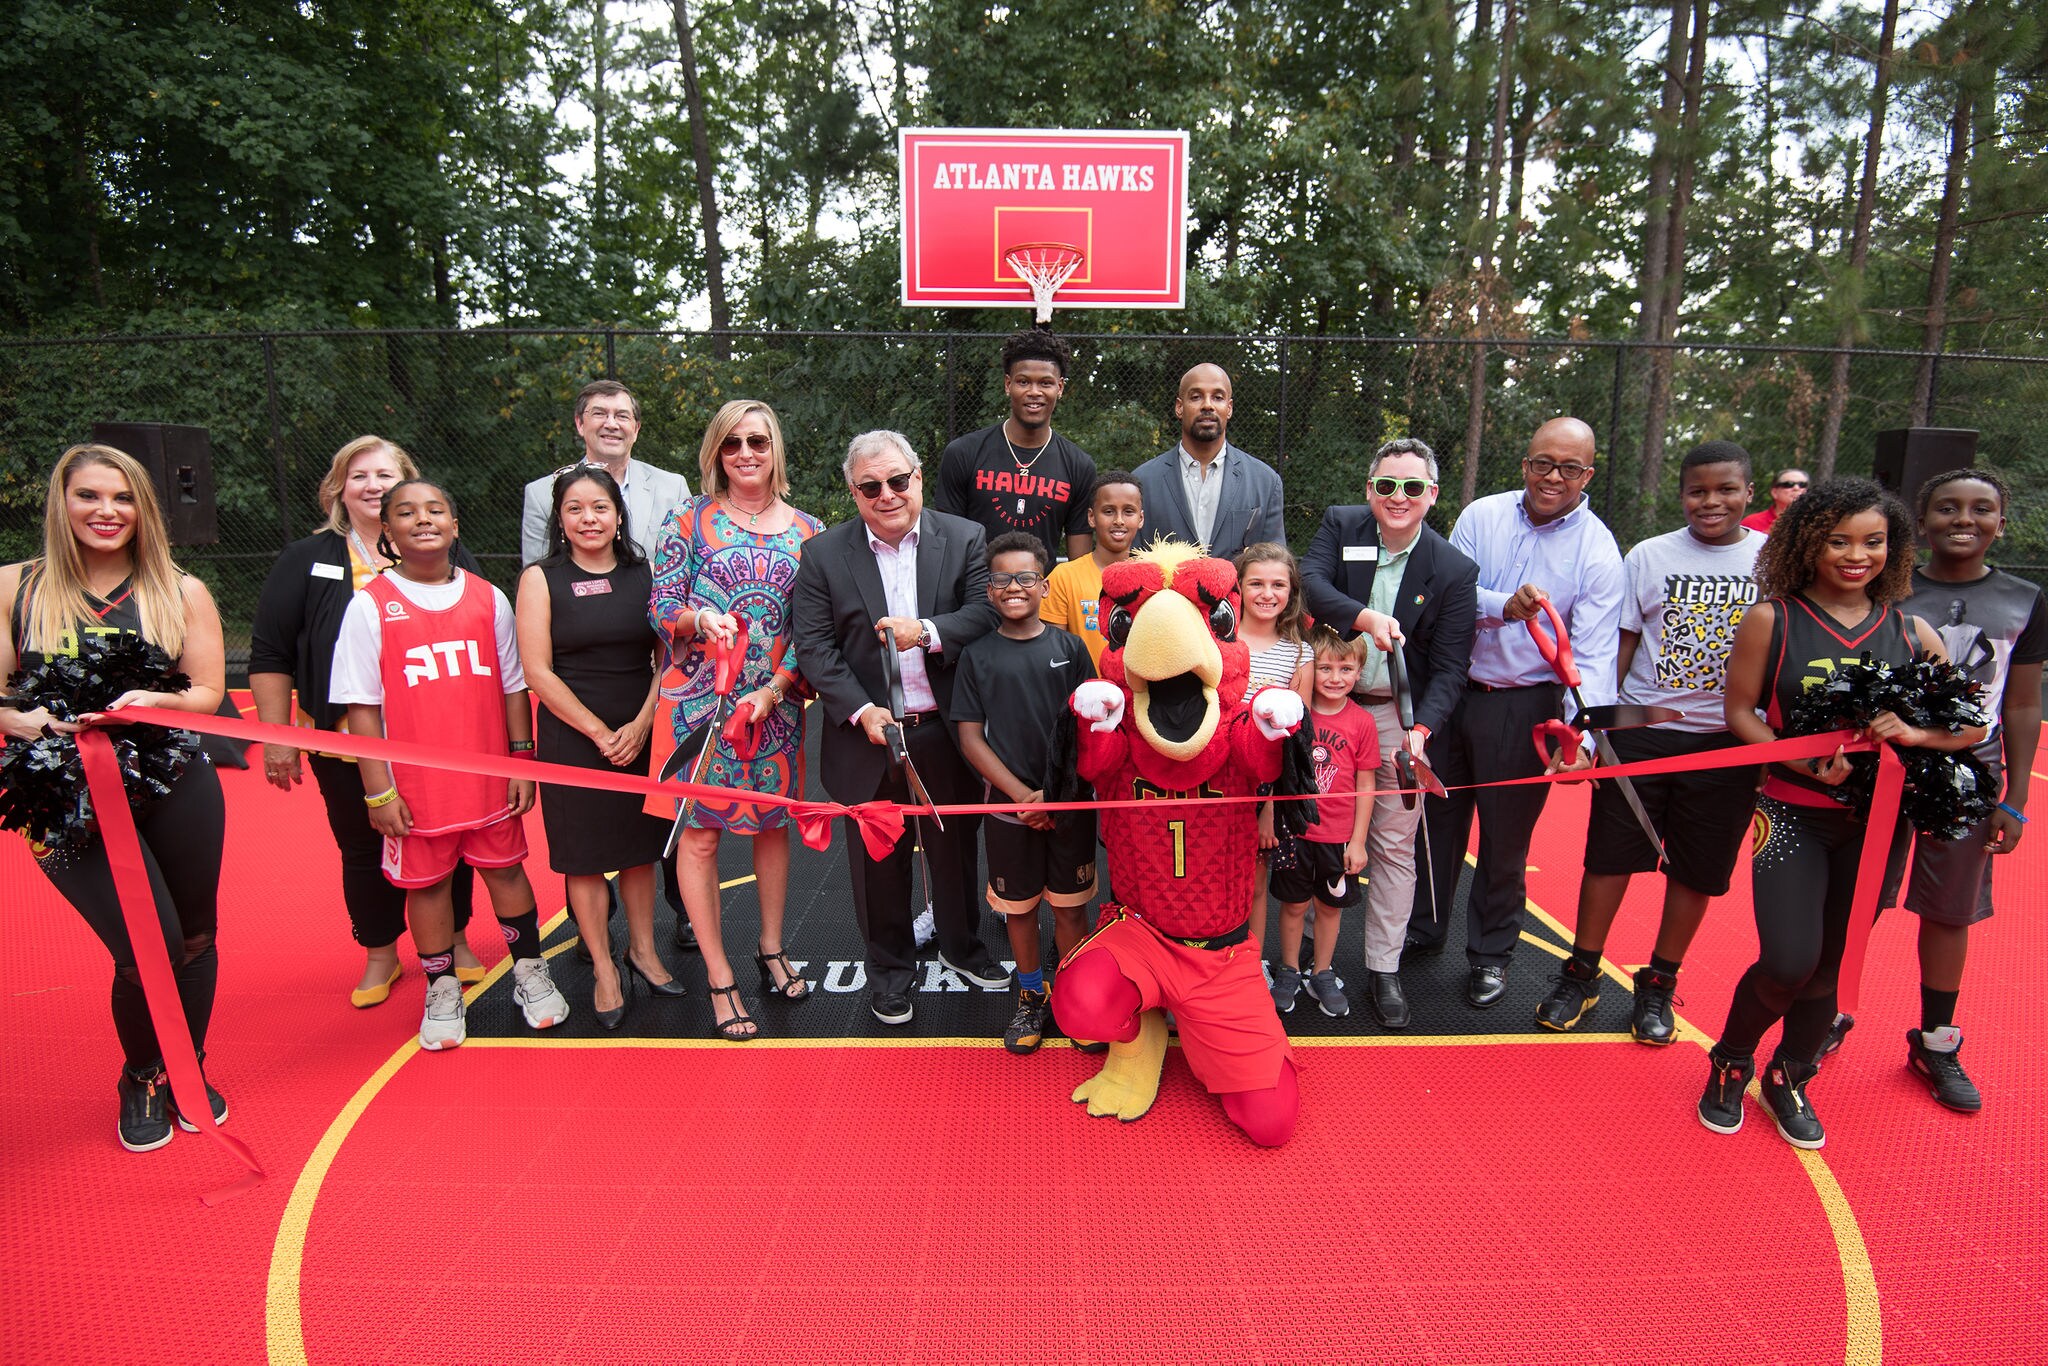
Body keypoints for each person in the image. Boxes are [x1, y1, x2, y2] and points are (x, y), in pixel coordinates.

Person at [1700, 477, 1984, 1149]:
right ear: (1807, 543)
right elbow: (1739, 711)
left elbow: (1967, 726)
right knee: (1788, 958)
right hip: (1793, 811)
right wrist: (1795, 757)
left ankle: (1790, 1075)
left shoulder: (1912, 631)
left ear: (1895, 546)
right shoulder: (1775, 618)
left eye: (1873, 541)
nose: (1857, 555)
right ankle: (1731, 1058)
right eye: (1839, 541)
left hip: (1881, 824)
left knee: (1834, 965)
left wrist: (1913, 735)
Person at [0, 444, 230, 1152]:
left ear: (144, 509)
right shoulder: (16, 586)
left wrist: (158, 698)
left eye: (123, 498)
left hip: (172, 780)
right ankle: (141, 1074)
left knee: (193, 937)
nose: (107, 512)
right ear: (61, 504)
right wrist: (21, 719)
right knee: (146, 942)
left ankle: (181, 1068)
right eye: (90, 497)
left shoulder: (179, 588)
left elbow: (207, 692)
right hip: (63, 794)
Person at [1535, 441, 1763, 1042]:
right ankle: (1580, 973)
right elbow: (1621, 646)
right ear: (1681, 494)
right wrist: (1598, 725)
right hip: (1642, 734)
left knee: (1697, 870)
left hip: (1729, 742)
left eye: (1725, 490)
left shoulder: (1776, 561)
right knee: (1609, 857)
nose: (1711, 502)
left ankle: (1659, 983)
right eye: (1698, 491)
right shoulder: (1649, 556)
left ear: (1749, 494)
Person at [332, 479, 571, 1051]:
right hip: (416, 790)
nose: (422, 520)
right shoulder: (370, 606)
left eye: (435, 509)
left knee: (509, 873)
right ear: (387, 531)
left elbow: (516, 687)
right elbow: (363, 710)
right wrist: (378, 792)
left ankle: (530, 972)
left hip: (488, 777)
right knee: (429, 885)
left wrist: (521, 760)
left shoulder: (490, 598)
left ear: (454, 525)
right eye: (406, 513)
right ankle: (441, 987)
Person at [249, 435, 487, 1007]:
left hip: (437, 741)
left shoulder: (448, 554)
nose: (373, 486)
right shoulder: (307, 560)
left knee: (448, 840)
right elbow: (271, 652)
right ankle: (380, 951)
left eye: (386, 475)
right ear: (338, 489)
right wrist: (277, 736)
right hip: (344, 741)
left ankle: (455, 938)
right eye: (360, 476)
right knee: (362, 845)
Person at [791, 429, 1008, 1026]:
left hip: (945, 728)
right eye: (870, 486)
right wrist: (863, 712)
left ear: (917, 477)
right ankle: (889, 971)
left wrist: (928, 632)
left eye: (896, 481)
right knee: (876, 862)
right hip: (868, 732)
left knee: (956, 848)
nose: (886, 495)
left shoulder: (964, 537)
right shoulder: (822, 555)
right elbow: (814, 647)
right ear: (853, 492)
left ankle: (964, 947)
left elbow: (984, 611)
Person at [1415, 421, 1623, 1010]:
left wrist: (1583, 733)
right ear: (1525, 463)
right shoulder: (1482, 515)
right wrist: (1502, 607)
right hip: (1452, 692)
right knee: (1436, 824)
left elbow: (1596, 651)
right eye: (1542, 463)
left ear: (1588, 474)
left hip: (1525, 705)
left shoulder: (1599, 550)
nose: (1553, 478)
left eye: (1570, 468)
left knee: (1506, 845)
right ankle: (1424, 932)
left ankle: (1489, 956)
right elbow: (1445, 594)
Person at [1854, 469, 2044, 1111]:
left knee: (1948, 908)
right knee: (1860, 896)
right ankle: (1826, 1015)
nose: (1964, 518)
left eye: (1981, 508)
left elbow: (2019, 706)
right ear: (1922, 518)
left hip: (1969, 769)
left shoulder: (2026, 599)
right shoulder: (1887, 587)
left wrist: (2013, 797)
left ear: (2001, 520)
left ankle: (1936, 1041)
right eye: (1947, 507)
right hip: (1881, 762)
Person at [647, 400, 824, 1040]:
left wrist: (777, 689)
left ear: (775, 448)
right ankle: (720, 976)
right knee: (700, 835)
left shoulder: (809, 529)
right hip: (701, 703)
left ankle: (771, 948)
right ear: (715, 453)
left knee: (772, 826)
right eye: (732, 444)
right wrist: (700, 621)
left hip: (774, 704)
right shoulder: (686, 521)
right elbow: (660, 604)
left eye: (757, 441)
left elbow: (814, 627)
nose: (745, 454)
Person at [1301, 437, 1479, 1028]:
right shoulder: (1341, 525)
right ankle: (1289, 956)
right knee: (1299, 823)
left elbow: (1452, 666)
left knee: (1393, 844)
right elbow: (1310, 584)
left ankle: (1383, 966)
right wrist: (1364, 618)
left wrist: (1422, 728)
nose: (1397, 497)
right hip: (1324, 700)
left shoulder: (1453, 569)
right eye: (1386, 485)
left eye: (1411, 487)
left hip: (1393, 718)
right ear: (1368, 490)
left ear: (1432, 495)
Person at [516, 466, 676, 1031]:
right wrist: (597, 732)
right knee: (583, 859)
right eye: (576, 508)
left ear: (618, 515)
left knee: (637, 851)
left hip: (638, 730)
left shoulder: (645, 573)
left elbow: (668, 659)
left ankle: (643, 951)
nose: (589, 519)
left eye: (600, 508)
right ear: (560, 517)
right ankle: (605, 968)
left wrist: (641, 723)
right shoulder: (541, 578)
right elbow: (537, 671)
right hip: (572, 736)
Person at [955, 531, 1099, 1054]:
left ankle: (1075, 997)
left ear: (1044, 583)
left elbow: (1093, 728)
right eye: (1001, 579)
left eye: (1025, 577)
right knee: (1019, 910)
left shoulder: (1070, 647)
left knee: (1070, 911)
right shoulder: (977, 655)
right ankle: (1031, 995)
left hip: (1069, 807)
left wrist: (1057, 796)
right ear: (989, 589)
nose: (1013, 587)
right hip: (1010, 810)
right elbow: (970, 736)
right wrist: (1022, 796)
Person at [1268, 628, 1377, 1020]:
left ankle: (1323, 972)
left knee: (1329, 909)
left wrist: (1359, 841)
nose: (1334, 677)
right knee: (1294, 905)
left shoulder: (1363, 722)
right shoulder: (1299, 714)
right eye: (1326, 668)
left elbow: (1366, 783)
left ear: (1359, 671)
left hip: (1338, 838)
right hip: (1296, 832)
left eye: (1345, 668)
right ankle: (1289, 969)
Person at [934, 329, 1096, 563]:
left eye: (1046, 383)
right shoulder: (963, 453)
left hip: (1043, 596)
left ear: (1059, 388)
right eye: (1023, 382)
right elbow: (947, 548)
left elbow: (1078, 566)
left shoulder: (1079, 466)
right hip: (976, 594)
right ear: (1008, 384)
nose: (1034, 392)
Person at [1233, 543, 1313, 953]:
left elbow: (1294, 742)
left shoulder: (1299, 653)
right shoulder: (1219, 643)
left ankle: (1252, 964)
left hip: (1266, 788)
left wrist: (1269, 807)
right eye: (1256, 583)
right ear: (1239, 588)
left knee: (1255, 880)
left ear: (1291, 591)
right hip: (1222, 778)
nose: (1267, 593)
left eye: (1278, 584)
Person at [519, 379, 693, 565]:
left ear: (636, 429)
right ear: (580, 424)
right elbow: (536, 578)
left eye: (622, 416)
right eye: (599, 414)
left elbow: (692, 566)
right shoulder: (542, 495)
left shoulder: (673, 490)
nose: (611, 424)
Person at [1130, 364, 1287, 562]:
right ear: (1179, 407)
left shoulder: (1265, 482)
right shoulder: (1142, 482)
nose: (1207, 405)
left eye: (1217, 397)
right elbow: (1131, 564)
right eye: (1196, 397)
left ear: (1229, 408)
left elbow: (1275, 565)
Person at [1042, 469, 1144, 668]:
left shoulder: (1157, 576)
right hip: (1084, 693)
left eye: (1128, 511)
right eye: (1108, 511)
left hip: (1140, 694)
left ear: (1140, 519)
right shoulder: (1065, 577)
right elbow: (1055, 656)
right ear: (1091, 517)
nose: (1119, 520)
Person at [1743, 467, 1808, 535]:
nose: (1796, 488)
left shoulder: (1815, 521)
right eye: (1789, 484)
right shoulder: (1752, 522)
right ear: (1774, 492)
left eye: (1802, 485)